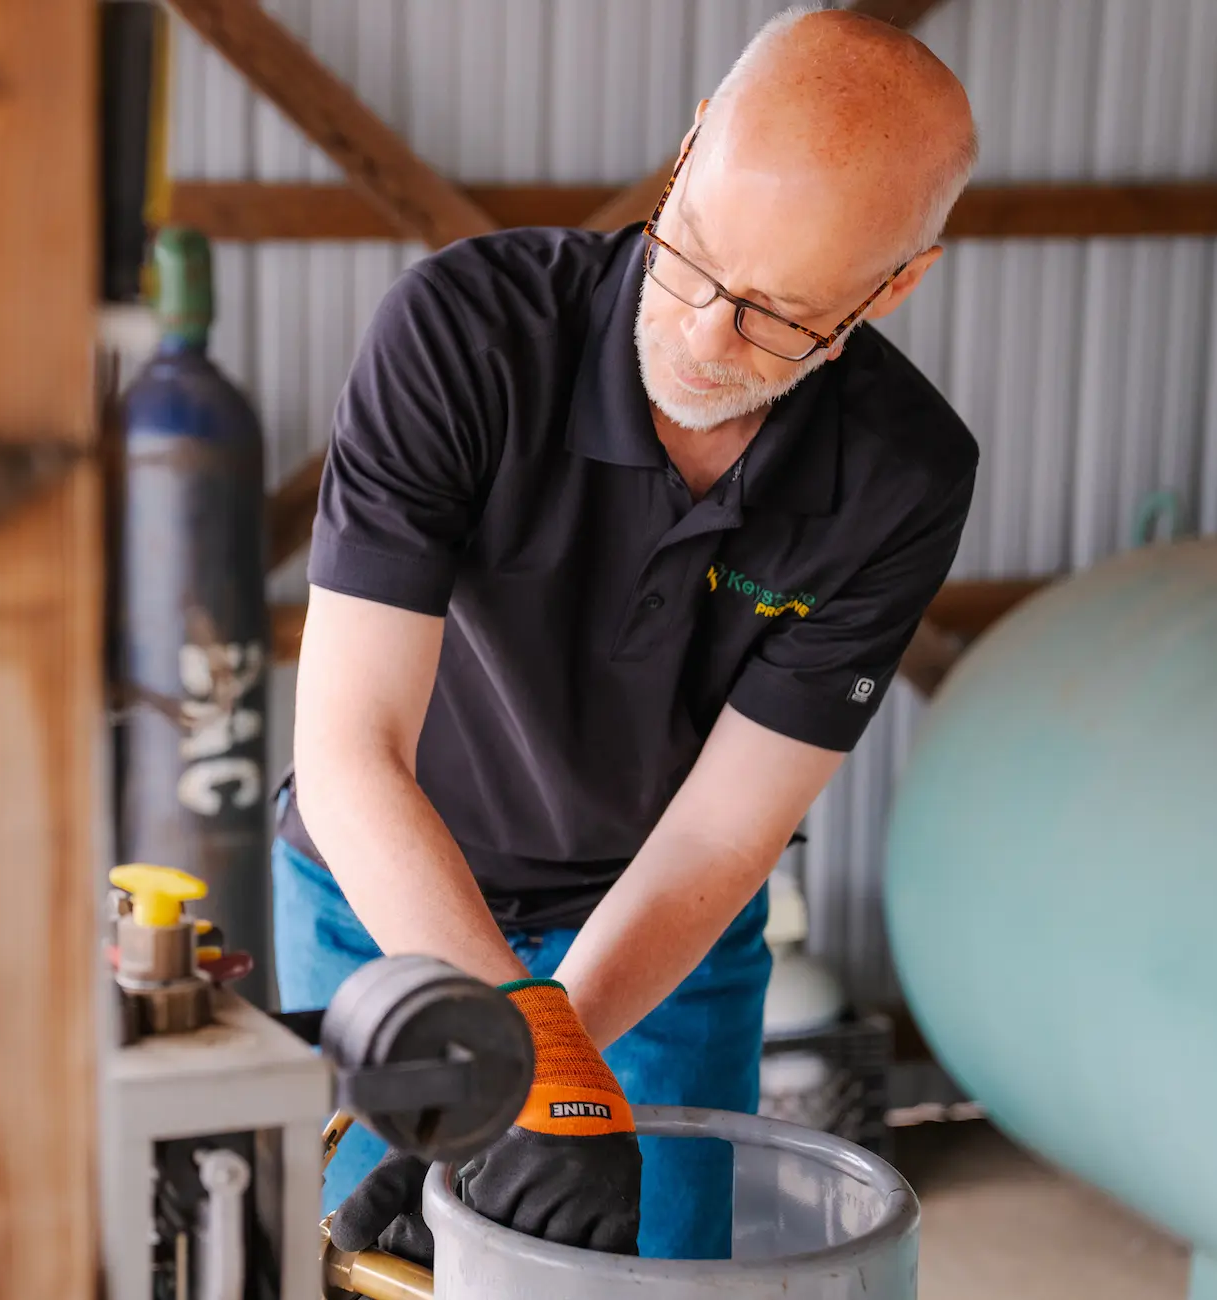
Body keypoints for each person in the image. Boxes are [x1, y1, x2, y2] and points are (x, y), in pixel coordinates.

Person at [275, 5, 982, 1263]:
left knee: (654, 1274)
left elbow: (721, 832)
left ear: (895, 286)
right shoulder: (464, 334)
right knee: (352, 1263)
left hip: (661, 933)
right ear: (692, 144)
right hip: (380, 887)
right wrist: (518, 1057)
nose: (705, 335)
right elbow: (349, 750)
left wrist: (538, 1067)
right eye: (692, 253)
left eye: (778, 315)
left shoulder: (902, 477)